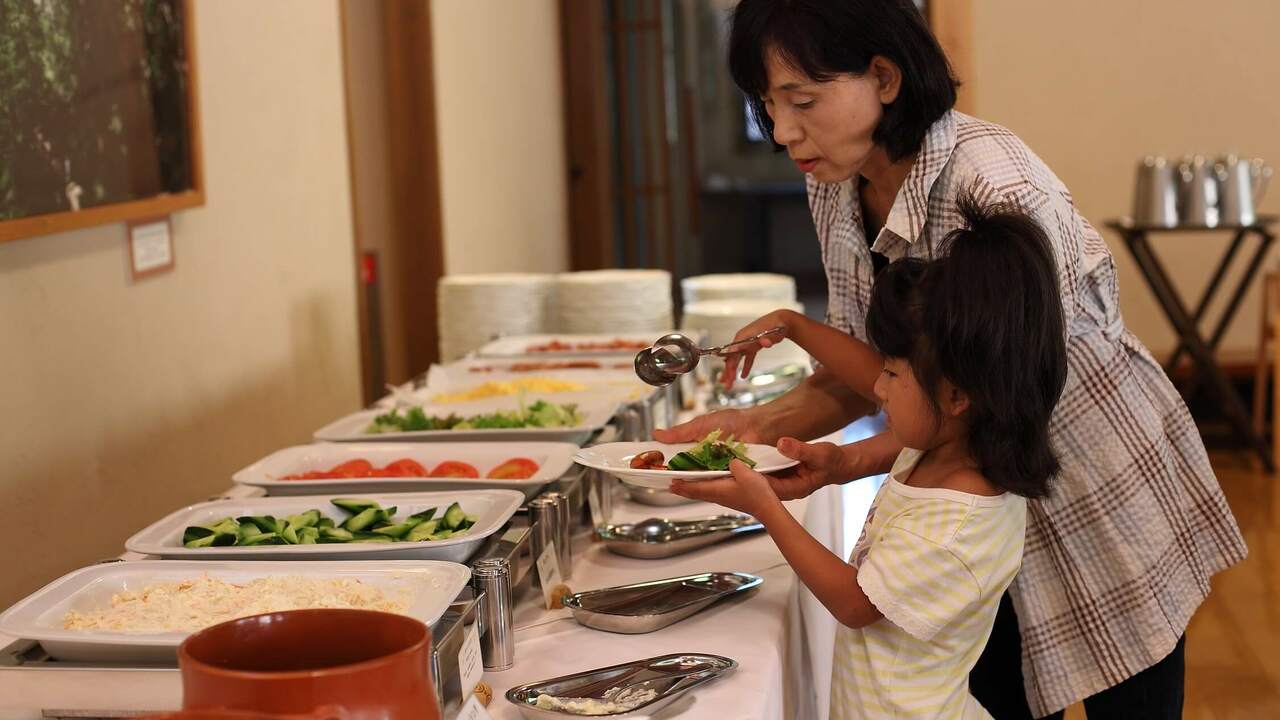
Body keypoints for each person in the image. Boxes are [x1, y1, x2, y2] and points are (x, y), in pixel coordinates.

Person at [658, 1, 1245, 718]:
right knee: (999, 693)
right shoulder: (833, 181)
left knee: (1132, 692)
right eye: (768, 105)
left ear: (884, 76)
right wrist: (751, 428)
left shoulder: (995, 189)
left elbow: (1001, 393)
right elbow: (876, 366)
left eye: (803, 101)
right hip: (975, 489)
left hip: (1094, 474)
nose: (783, 132)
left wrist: (849, 458)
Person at [675, 197, 1067, 718]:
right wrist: (796, 330)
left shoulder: (955, 524)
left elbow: (855, 604)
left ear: (956, 397)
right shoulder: (945, 451)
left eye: (893, 374)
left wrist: (766, 508)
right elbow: (875, 403)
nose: (876, 388)